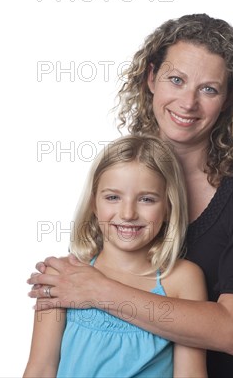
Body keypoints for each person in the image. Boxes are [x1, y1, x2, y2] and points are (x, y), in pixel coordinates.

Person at [27, 13, 233, 377]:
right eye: (176, 80)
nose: (188, 102)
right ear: (151, 78)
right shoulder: (124, 169)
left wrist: (98, 290)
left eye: (209, 89)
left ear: (228, 99)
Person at [23, 135, 208, 377]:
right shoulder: (62, 275)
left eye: (146, 199)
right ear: (93, 204)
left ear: (168, 207)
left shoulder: (182, 279)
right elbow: (41, 368)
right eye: (112, 197)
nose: (128, 213)